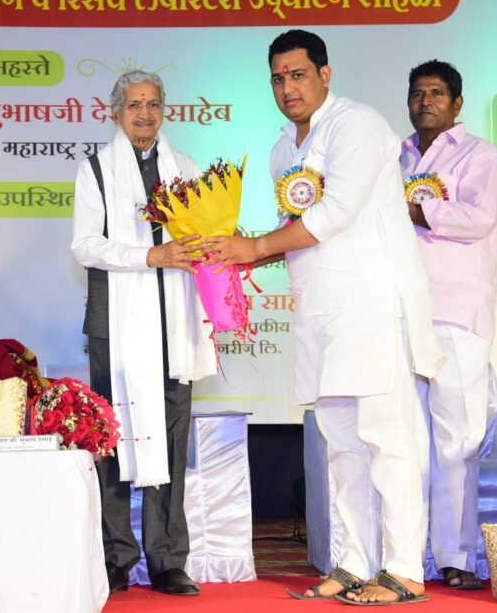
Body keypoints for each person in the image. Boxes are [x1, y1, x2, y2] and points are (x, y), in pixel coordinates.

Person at [202, 30, 443, 605]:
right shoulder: (282, 149)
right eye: (278, 78)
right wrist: (242, 252)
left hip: (373, 304)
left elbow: (335, 214)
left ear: (325, 75)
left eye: (298, 74)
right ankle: (356, 562)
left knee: (388, 441)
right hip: (321, 311)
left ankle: (405, 570)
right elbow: (299, 233)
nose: (288, 87)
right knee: (341, 447)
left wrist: (255, 247)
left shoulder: (356, 125)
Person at [70, 70, 216, 597]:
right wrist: (149, 256)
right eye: (134, 105)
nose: (145, 114)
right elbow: (85, 246)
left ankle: (167, 560)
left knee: (171, 439)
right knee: (112, 439)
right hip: (115, 323)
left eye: (153, 104)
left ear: (164, 111)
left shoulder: (188, 170)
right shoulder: (96, 170)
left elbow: (205, 238)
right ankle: (116, 557)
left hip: (174, 322)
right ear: (116, 112)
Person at [399, 60, 497, 591]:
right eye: (418, 93)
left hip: (456, 315)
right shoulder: (395, 157)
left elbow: (479, 218)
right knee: (403, 442)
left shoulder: (480, 156)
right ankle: (402, 553)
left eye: (437, 93)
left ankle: (456, 555)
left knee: (456, 442)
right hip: (399, 314)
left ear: (457, 103)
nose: (426, 101)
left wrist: (415, 210)